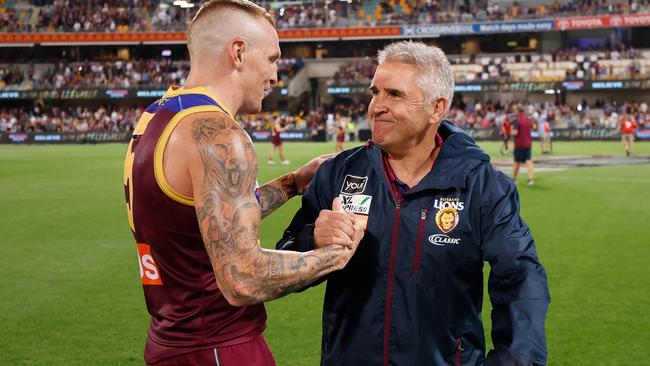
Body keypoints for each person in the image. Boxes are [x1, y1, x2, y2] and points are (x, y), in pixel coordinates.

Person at [122, 1, 365, 365]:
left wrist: (291, 183)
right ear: (238, 52)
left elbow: (209, 216)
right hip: (218, 345)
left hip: (171, 339)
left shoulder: (159, 117)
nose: (275, 76)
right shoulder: (218, 134)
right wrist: (337, 255)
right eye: (271, 59)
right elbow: (243, 279)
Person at [277, 41, 550, 366]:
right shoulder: (339, 172)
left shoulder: (481, 185)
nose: (377, 105)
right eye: (375, 92)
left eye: (394, 94)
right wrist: (313, 239)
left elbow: (520, 280)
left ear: (436, 108)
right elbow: (286, 251)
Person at [512, 105, 535, 186]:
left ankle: (514, 179)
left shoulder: (516, 120)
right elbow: (532, 128)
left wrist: (510, 132)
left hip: (519, 144)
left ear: (518, 111)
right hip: (528, 143)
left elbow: (515, 132)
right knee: (529, 161)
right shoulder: (528, 120)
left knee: (516, 162)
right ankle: (530, 179)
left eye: (515, 110)